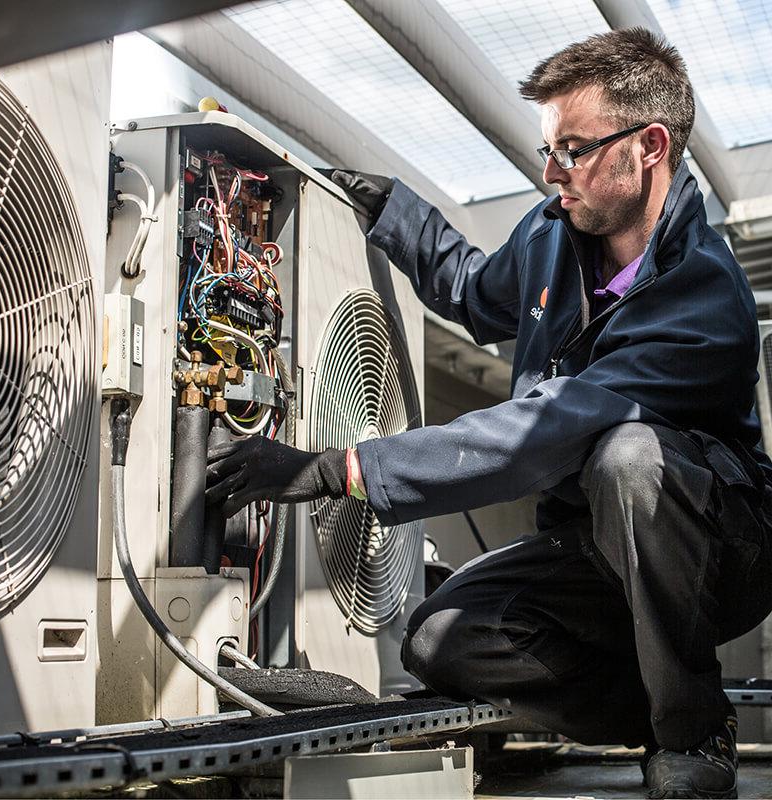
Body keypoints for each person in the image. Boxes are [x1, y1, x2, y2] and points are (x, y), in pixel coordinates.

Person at [206, 27, 772, 800]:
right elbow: (474, 292)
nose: (550, 173)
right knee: (441, 641)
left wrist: (342, 468)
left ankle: (693, 732)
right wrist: (393, 213)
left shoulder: (705, 297)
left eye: (572, 149)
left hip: (713, 545)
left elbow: (552, 429)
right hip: (593, 550)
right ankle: (659, 704)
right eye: (549, 148)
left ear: (649, 146)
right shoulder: (555, 232)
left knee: (628, 457)